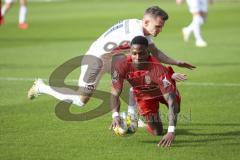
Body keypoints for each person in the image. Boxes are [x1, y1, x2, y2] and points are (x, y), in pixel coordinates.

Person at [27, 6, 194, 120]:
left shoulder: (140, 27)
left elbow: (155, 53)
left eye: (161, 27)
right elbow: (149, 60)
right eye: (158, 26)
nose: (160, 30)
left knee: (134, 79)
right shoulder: (137, 35)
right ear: (146, 22)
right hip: (95, 60)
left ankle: (131, 118)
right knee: (81, 101)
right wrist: (169, 73)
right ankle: (42, 87)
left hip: (111, 57)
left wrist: (177, 62)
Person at [110, 36, 186, 147]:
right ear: (130, 52)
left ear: (148, 52)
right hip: (144, 94)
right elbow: (114, 93)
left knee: (176, 107)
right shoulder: (121, 66)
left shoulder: (158, 69)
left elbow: (171, 100)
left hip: (162, 90)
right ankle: (135, 114)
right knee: (157, 132)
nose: (137, 57)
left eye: (141, 53)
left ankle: (173, 87)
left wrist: (171, 131)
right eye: (134, 53)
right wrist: (115, 115)